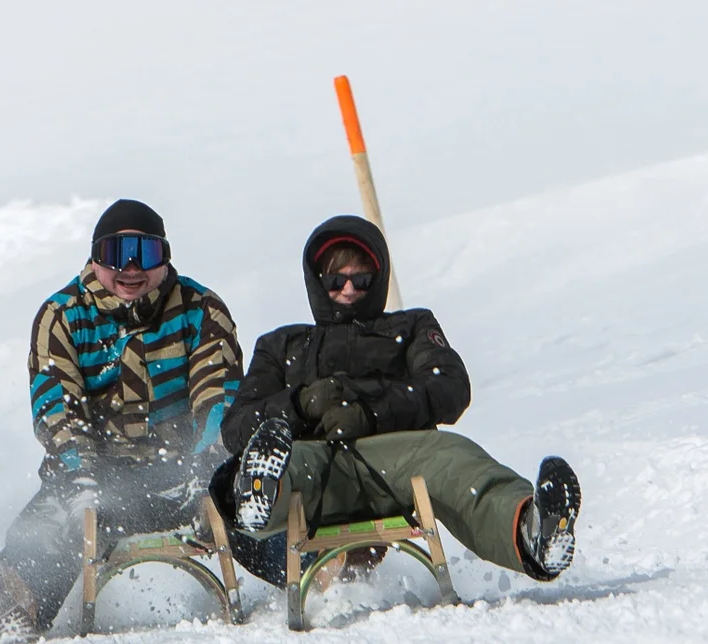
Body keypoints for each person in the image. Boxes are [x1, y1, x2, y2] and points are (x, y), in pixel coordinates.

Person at [212, 215, 583, 590]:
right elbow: (237, 427)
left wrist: (372, 410)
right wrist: (302, 404)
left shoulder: (410, 328)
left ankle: (529, 531)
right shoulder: (282, 346)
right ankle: (255, 496)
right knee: (267, 459)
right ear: (316, 281)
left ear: (379, 280)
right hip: (316, 461)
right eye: (335, 280)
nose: (349, 289)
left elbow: (450, 388)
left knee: (454, 458)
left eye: (362, 280)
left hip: (399, 458)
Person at [0, 199, 245, 641]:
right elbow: (57, 408)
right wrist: (83, 479)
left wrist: (210, 463)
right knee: (60, 527)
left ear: (165, 259)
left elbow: (217, 390)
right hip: (98, 476)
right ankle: (16, 601)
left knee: (248, 493)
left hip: (184, 472)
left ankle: (323, 575)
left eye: (144, 254)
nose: (130, 268)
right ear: (94, 257)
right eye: (114, 254)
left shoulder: (199, 309)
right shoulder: (64, 316)